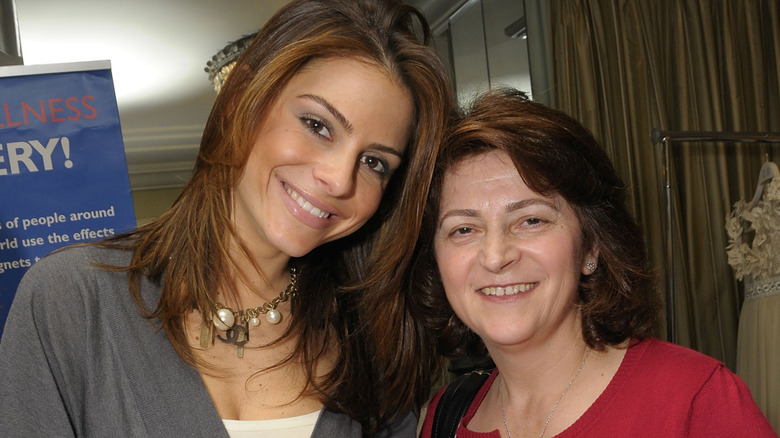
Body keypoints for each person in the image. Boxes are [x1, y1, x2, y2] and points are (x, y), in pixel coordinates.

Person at [0, 0, 452, 437]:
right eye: (317, 125)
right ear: (242, 102)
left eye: (375, 162)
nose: (338, 180)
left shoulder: (374, 339)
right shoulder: (72, 299)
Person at [413, 88, 776, 437]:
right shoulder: (444, 418)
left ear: (591, 247)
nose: (495, 256)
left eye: (531, 220)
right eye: (463, 229)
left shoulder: (694, 400)